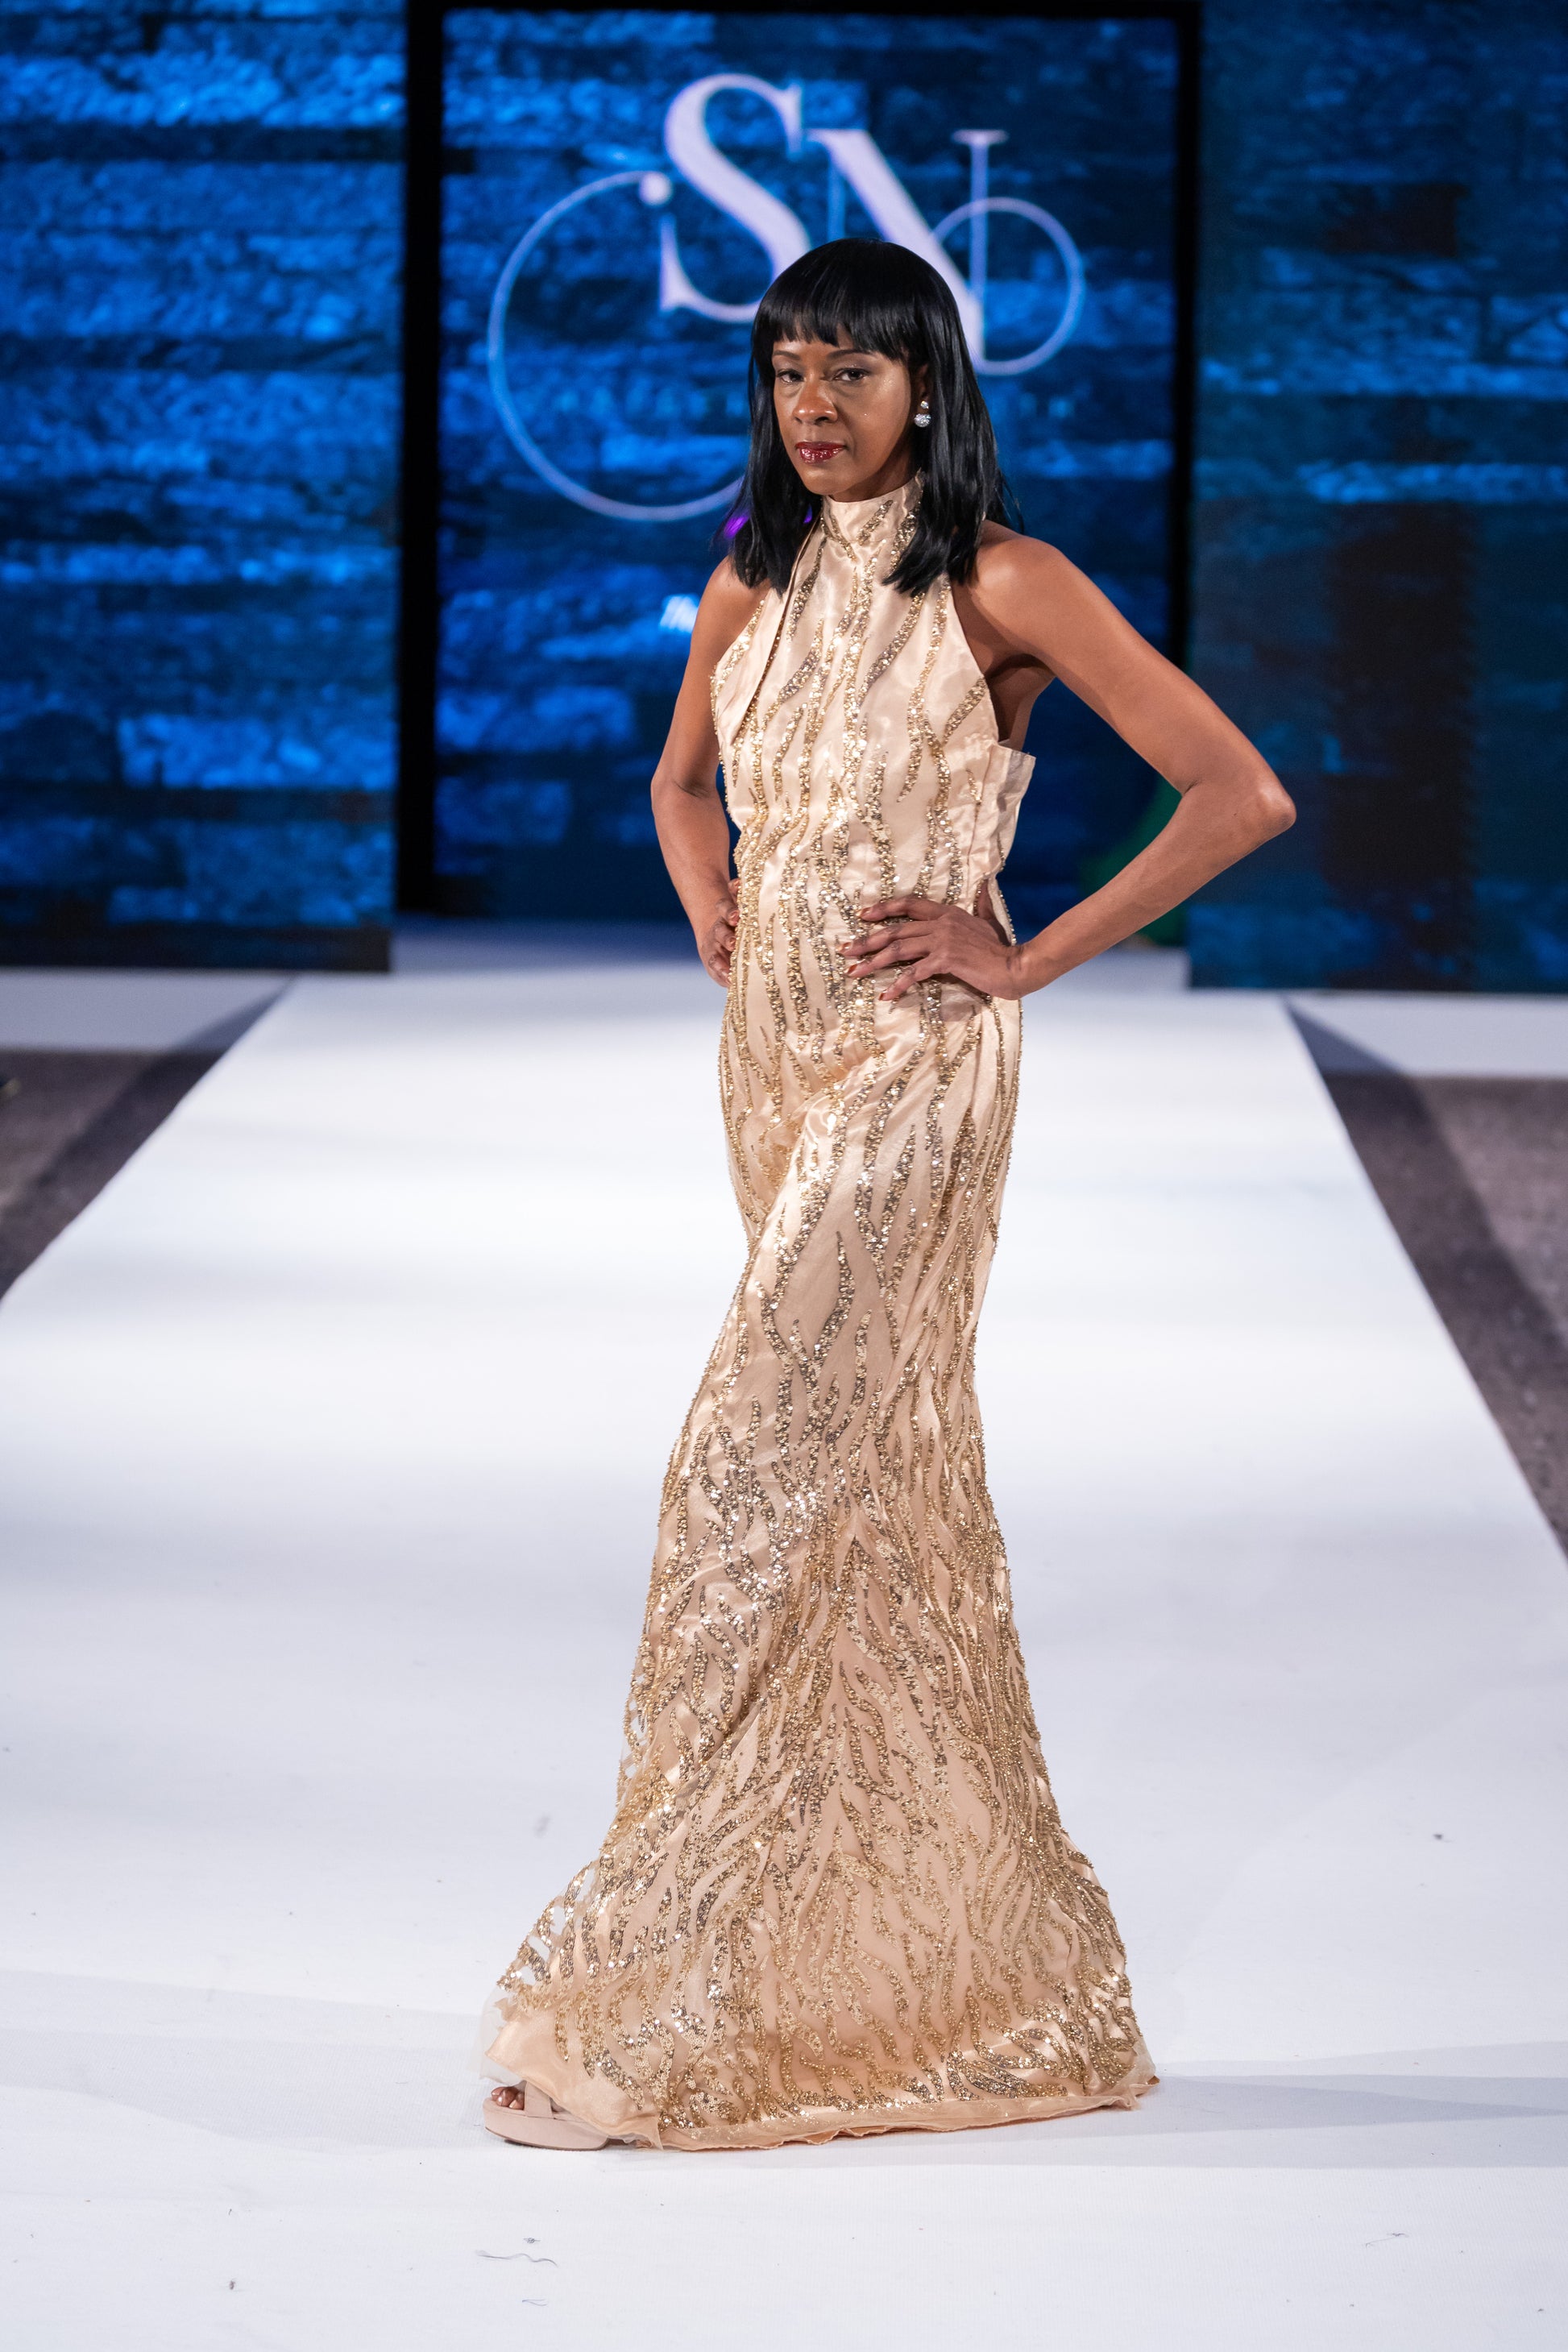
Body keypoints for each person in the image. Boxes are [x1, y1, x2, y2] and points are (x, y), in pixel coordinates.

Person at [483, 239, 1293, 2152]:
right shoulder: (750, 580)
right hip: (769, 1062)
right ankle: (886, 1968)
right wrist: (714, 898)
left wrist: (1024, 954)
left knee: (749, 1465)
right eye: (787, 371)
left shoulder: (1007, 581)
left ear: (926, 383)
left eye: (851, 369)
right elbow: (681, 783)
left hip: (914, 1067)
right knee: (859, 1496)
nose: (814, 404)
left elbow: (1237, 792)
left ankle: (681, 1960)